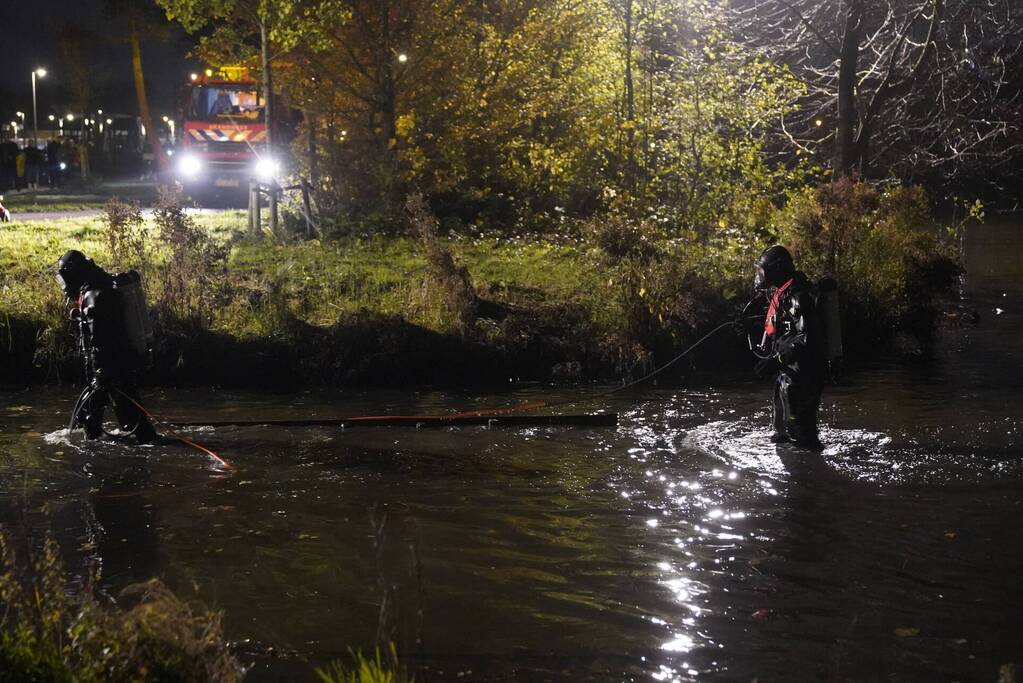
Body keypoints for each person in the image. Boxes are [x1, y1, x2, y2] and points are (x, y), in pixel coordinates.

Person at [56, 250, 157, 444]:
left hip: (110, 369)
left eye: (64, 278)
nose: (64, 285)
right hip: (119, 365)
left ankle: (91, 454)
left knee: (120, 419)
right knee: (112, 416)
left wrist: (101, 375)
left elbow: (100, 341)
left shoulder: (94, 295)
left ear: (74, 273)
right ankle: (94, 443)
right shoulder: (102, 286)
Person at [753, 245, 825, 451]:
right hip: (787, 375)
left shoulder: (798, 297)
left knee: (803, 439)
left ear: (777, 270)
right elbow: (783, 331)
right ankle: (791, 475)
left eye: (763, 270)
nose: (761, 275)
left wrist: (777, 361)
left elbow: (806, 338)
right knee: (782, 435)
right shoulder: (784, 294)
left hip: (802, 377)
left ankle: (811, 478)